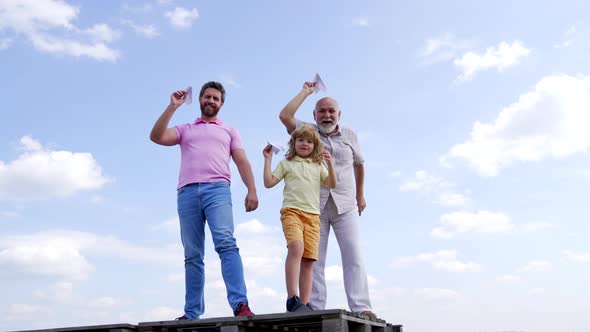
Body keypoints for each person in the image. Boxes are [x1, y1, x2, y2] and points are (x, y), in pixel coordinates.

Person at [150, 81, 258, 320]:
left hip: (217, 190)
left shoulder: (229, 130)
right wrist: (172, 107)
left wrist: (252, 189)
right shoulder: (185, 129)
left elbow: (241, 161)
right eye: (207, 97)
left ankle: (240, 304)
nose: (211, 101)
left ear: (221, 104)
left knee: (226, 244)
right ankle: (192, 312)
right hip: (187, 192)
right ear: (200, 100)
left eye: (216, 98)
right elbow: (156, 136)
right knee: (192, 254)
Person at [278, 81, 376, 317]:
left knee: (353, 254)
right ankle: (314, 307)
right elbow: (285, 115)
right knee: (314, 258)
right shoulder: (307, 133)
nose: (327, 115)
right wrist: (306, 91)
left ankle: (362, 307)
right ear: (314, 115)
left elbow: (359, 164)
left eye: (331, 111)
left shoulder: (350, 134)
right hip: (314, 207)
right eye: (322, 111)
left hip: (346, 205)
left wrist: (360, 195)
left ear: (338, 114)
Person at [262, 125, 336, 312]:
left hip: (313, 216)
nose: (305, 144)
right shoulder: (286, 164)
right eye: (301, 140)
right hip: (292, 212)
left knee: (309, 260)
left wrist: (331, 164)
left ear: (315, 146)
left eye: (309, 141)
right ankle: (291, 298)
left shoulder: (318, 166)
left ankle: (305, 303)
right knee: (296, 247)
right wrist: (268, 159)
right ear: (293, 143)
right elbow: (269, 183)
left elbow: (332, 184)